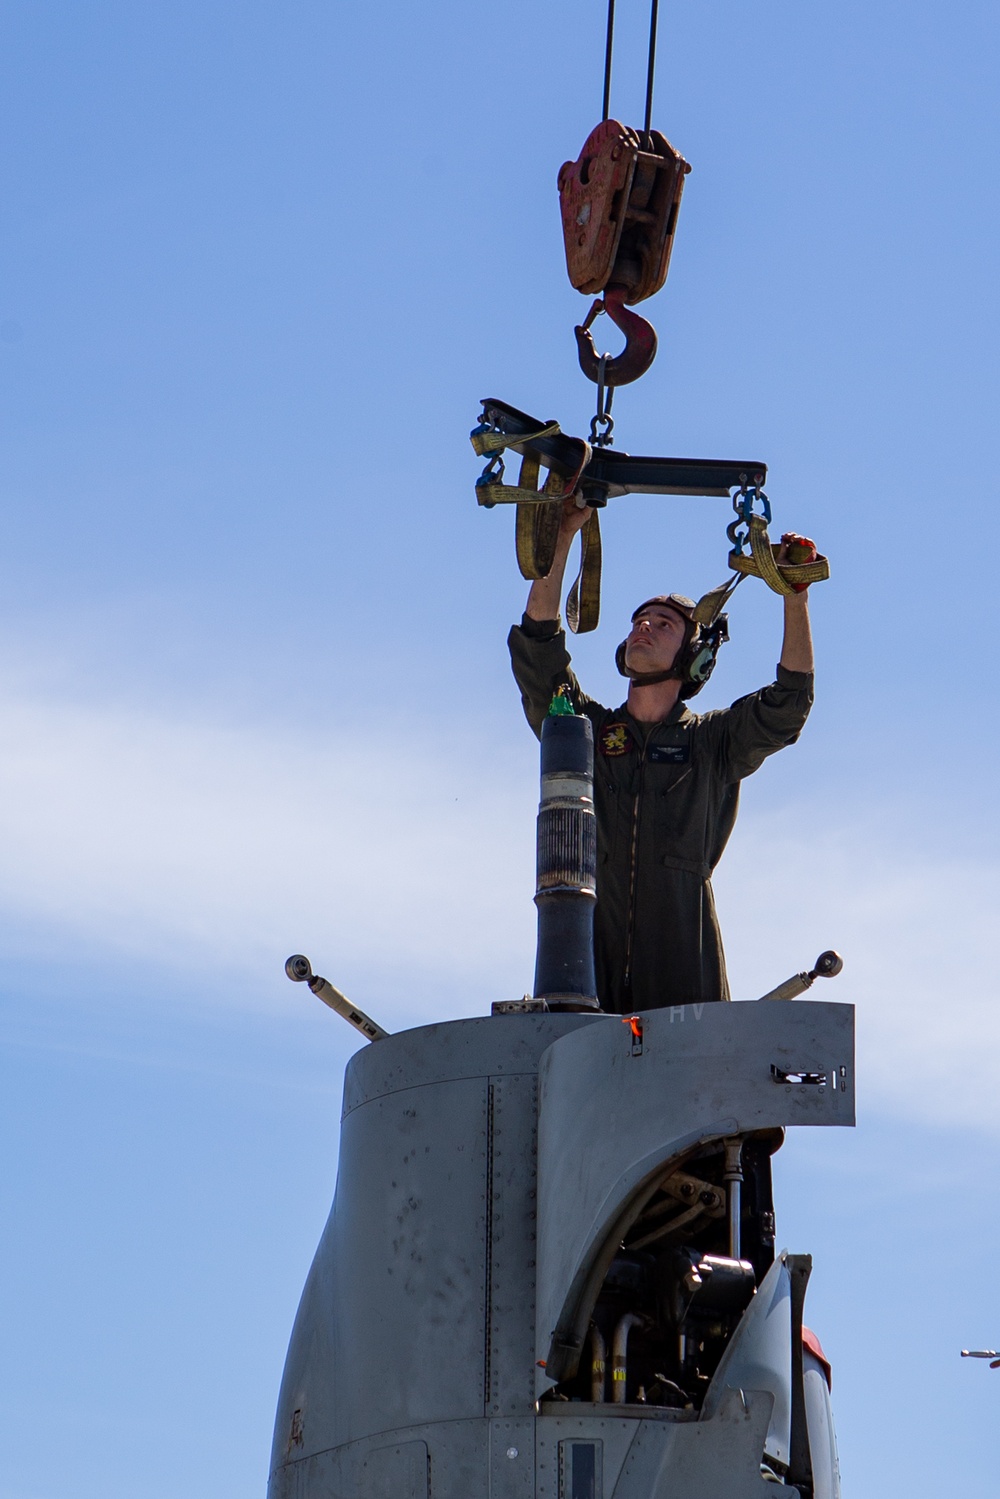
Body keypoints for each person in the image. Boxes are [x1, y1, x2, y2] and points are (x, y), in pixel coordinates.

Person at [508, 498, 816, 1013]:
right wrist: (562, 535)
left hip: (684, 970)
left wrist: (794, 596)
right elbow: (538, 652)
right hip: (586, 965)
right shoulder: (585, 729)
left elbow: (788, 705)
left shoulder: (711, 742)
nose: (644, 629)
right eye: (639, 622)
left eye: (663, 625)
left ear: (693, 660)